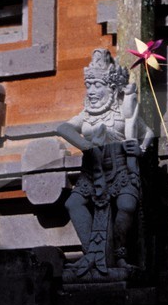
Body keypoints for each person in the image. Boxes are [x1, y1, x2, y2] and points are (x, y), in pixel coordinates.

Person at [56, 49, 149, 280]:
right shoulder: (86, 114)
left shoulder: (121, 110)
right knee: (73, 203)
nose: (92, 91)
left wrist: (140, 148)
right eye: (89, 86)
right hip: (91, 169)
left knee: (126, 204)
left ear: (112, 88)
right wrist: (85, 145)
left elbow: (147, 132)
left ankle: (118, 253)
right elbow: (62, 128)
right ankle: (94, 254)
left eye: (97, 85)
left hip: (120, 167)